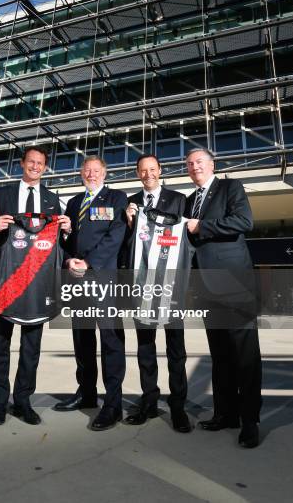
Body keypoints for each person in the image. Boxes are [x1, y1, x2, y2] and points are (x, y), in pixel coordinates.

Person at [0, 146, 71, 427]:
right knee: (0, 344)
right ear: (22, 164)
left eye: (40, 163)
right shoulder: (2, 195)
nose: (35, 166)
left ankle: (23, 401)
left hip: (38, 284)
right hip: (7, 281)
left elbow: (59, 243)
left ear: (45, 168)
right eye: (31, 161)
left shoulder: (52, 199)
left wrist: (68, 229)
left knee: (31, 347)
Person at [185, 147, 262, 448]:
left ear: (212, 164)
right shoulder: (190, 201)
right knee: (220, 354)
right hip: (206, 285)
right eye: (190, 164)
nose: (194, 167)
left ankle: (250, 420)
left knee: (244, 353)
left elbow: (244, 222)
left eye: (199, 162)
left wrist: (203, 226)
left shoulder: (230, 187)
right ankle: (225, 414)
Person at [53, 155, 128, 431]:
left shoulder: (116, 199)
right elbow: (70, 237)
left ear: (105, 173)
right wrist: (69, 256)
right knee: (82, 338)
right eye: (86, 170)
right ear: (81, 174)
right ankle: (86, 394)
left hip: (103, 278)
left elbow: (115, 235)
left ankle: (113, 404)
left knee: (110, 340)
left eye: (96, 170)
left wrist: (89, 263)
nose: (91, 174)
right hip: (77, 279)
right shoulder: (73, 203)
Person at [122, 154, 192, 433]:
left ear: (160, 170)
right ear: (138, 173)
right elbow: (128, 244)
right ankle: (149, 401)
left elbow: (187, 239)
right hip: (142, 285)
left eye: (152, 169)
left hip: (171, 285)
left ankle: (178, 408)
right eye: (143, 170)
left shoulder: (179, 199)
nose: (148, 174)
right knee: (145, 349)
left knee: (176, 350)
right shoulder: (132, 202)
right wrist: (128, 223)